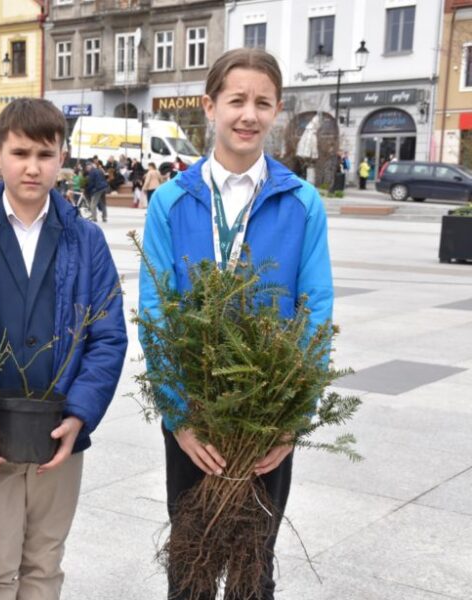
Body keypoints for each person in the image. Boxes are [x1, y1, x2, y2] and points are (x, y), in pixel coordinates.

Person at [139, 47, 332, 600]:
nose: (249, 115)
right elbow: (157, 310)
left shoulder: (301, 202)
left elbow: (315, 308)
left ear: (277, 111)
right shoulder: (173, 201)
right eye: (237, 100)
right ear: (210, 106)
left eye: (263, 103)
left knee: (255, 563)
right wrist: (180, 417)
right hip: (194, 417)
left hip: (267, 418)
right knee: (190, 562)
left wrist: (292, 418)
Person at [0, 98, 127, 600]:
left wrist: (81, 413)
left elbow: (108, 334)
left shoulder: (85, 239)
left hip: (60, 428)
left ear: (62, 157)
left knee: (45, 560)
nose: (32, 167)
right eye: (20, 152)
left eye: (45, 154)